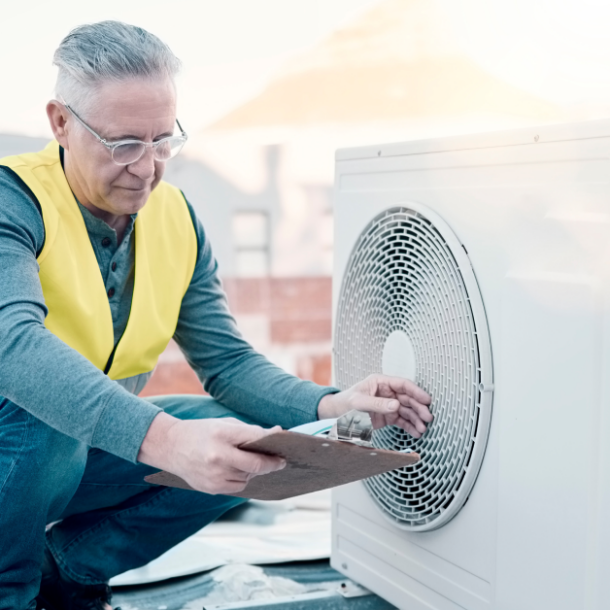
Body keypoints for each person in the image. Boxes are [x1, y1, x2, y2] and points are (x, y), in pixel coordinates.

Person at [0, 21, 433, 610]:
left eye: (162, 141)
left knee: (247, 438)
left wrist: (331, 406)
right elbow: (15, 349)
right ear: (60, 123)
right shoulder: (13, 201)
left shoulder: (175, 216)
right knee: (43, 414)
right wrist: (167, 441)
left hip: (68, 463)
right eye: (124, 143)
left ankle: (71, 573)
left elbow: (227, 364)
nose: (147, 167)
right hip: (17, 452)